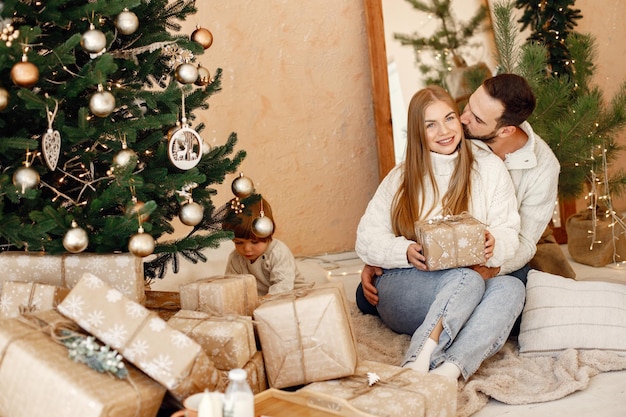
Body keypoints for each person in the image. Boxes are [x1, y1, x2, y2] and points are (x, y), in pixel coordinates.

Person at [357, 74, 560, 329]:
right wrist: (383, 256)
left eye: (475, 118)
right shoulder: (456, 135)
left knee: (518, 298)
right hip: (434, 260)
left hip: (500, 256)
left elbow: (522, 241)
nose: (463, 120)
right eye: (466, 107)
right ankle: (464, 315)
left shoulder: (542, 168)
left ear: (505, 130)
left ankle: (459, 321)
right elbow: (386, 219)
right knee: (369, 294)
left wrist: (487, 269)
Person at [355, 85, 524, 381]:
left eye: (449, 118)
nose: (444, 131)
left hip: (465, 291)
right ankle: (416, 363)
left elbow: (509, 230)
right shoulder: (400, 178)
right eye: (430, 124)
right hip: (409, 287)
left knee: (512, 289)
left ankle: (449, 371)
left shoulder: (489, 170)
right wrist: (404, 251)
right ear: (417, 132)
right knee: (466, 278)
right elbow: (366, 238)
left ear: (459, 119)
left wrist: (492, 242)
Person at [222, 194, 312, 296]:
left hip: (293, 296)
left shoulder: (277, 252)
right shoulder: (236, 258)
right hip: (261, 302)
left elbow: (282, 286)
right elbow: (231, 287)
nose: (247, 249)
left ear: (267, 233)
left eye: (254, 242)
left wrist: (263, 303)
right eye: (238, 242)